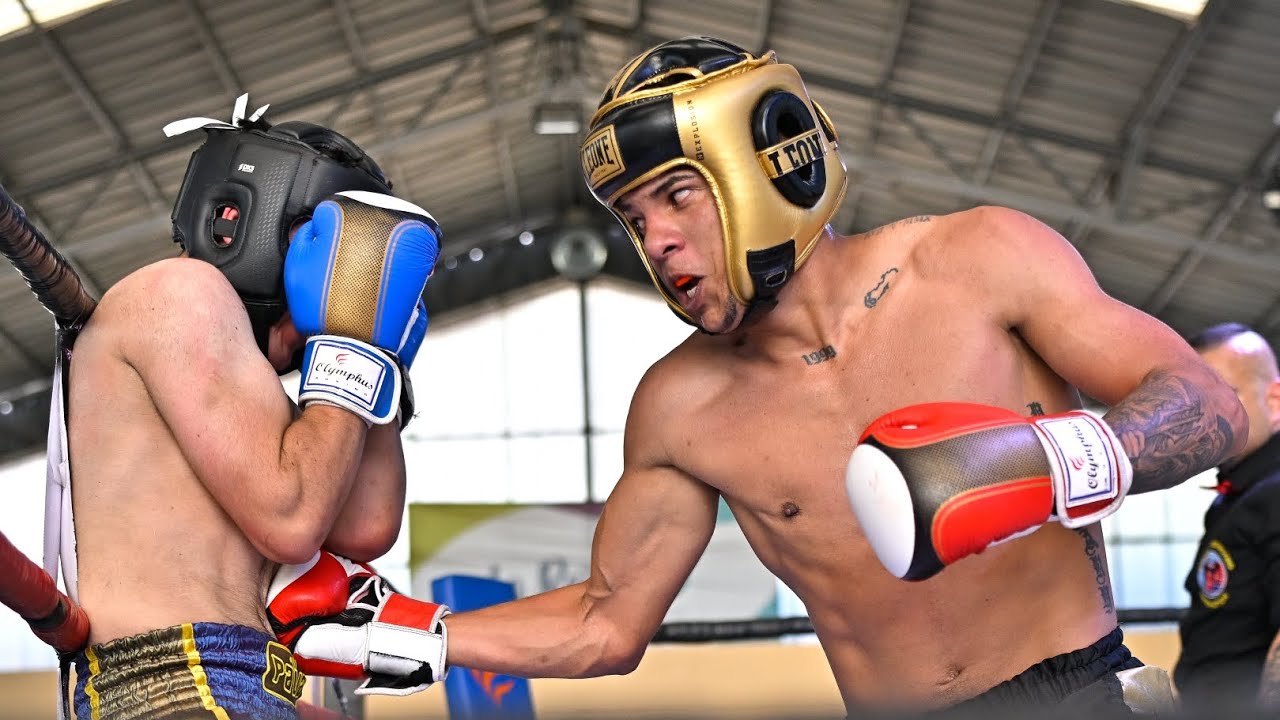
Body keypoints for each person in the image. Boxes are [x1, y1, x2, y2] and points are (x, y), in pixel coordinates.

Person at [267, 37, 1247, 715]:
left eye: (675, 196)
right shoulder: (679, 406)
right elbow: (606, 622)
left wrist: (1047, 462)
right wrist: (401, 629)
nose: (654, 239)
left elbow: (1205, 403)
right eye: (632, 219)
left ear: (766, 164)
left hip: (1076, 695)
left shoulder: (979, 262)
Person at [55, 96, 441, 719]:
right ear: (244, 218)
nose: (337, 276)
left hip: (237, 678)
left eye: (349, 263)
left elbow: (365, 527)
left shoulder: (246, 385)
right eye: (326, 249)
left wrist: (377, 352)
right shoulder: (179, 294)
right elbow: (293, 519)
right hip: (171, 681)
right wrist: (348, 346)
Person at [1173, 323, 1280, 710]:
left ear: (1276, 400)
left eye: (1224, 398)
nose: (1205, 420)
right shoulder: (1239, 494)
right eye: (1193, 405)